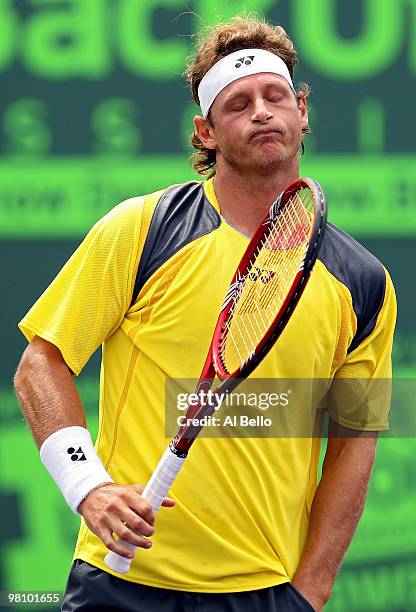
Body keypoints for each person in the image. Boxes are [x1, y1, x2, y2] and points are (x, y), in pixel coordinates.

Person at [14, 16, 396, 612]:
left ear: (301, 111)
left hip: (265, 593)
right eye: (237, 104)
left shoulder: (364, 281)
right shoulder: (142, 228)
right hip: (121, 585)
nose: (261, 113)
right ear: (207, 132)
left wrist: (311, 589)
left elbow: (355, 438)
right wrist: (87, 487)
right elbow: (41, 363)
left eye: (275, 97)